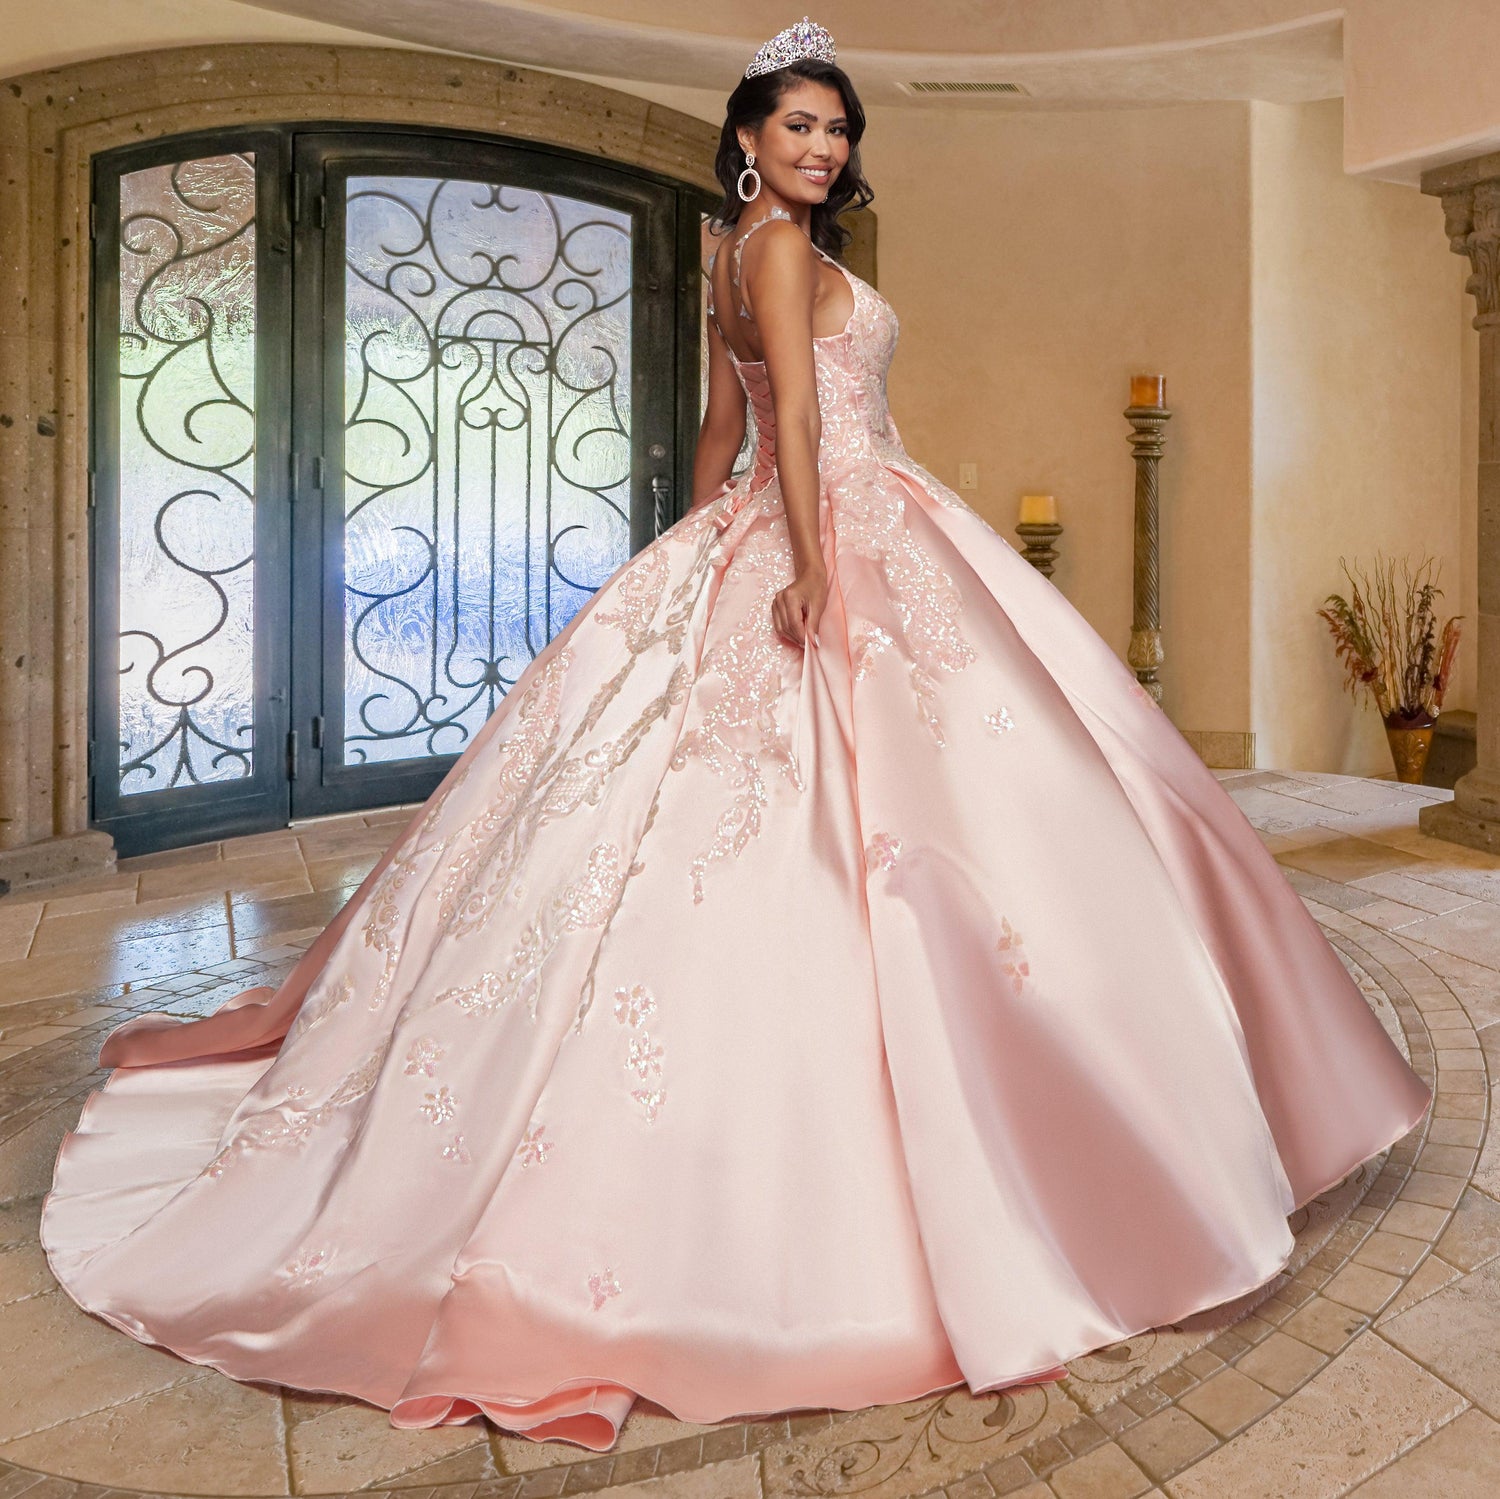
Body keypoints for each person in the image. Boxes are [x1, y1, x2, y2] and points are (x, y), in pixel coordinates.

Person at [43, 16, 1430, 1454]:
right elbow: (796, 437)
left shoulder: (737, 249)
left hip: (827, 516)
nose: (822, 149)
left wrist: (695, 540)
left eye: (837, 130)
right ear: (749, 139)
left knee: (1017, 793)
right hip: (842, 523)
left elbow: (719, 431)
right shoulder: (772, 252)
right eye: (799, 128)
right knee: (927, 822)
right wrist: (805, 560)